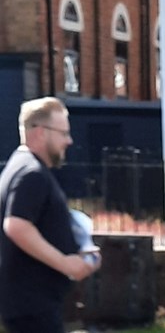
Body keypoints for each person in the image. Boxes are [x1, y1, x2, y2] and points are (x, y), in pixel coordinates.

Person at [0, 97, 100, 333]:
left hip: (28, 305)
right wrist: (66, 264)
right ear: (40, 132)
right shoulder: (32, 173)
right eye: (63, 133)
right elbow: (16, 225)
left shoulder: (18, 166)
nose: (69, 141)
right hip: (33, 307)